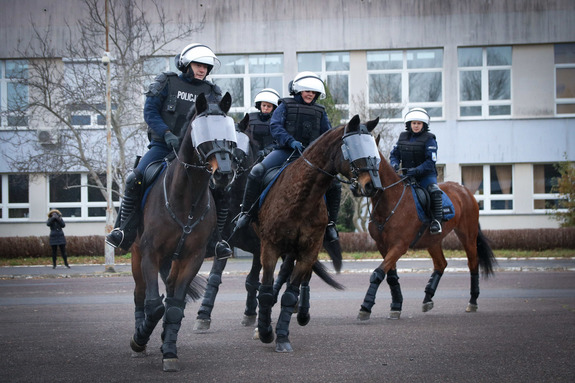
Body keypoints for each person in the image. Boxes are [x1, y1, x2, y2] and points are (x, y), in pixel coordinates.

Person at [106, 43, 233, 259]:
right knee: (135, 177)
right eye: (198, 65)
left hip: (198, 155)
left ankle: (217, 240)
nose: (203, 70)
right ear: (186, 64)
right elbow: (150, 112)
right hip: (163, 146)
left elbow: (217, 121)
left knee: (222, 187)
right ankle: (123, 231)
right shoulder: (167, 82)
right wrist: (166, 134)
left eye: (206, 67)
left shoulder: (212, 92)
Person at [234, 71, 341, 241]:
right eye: (307, 91)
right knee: (257, 171)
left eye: (313, 92)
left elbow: (327, 134)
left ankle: (331, 224)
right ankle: (247, 213)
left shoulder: (320, 111)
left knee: (334, 184)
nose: (310, 94)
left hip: (311, 156)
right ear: (298, 91)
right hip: (285, 150)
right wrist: (290, 141)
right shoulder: (285, 105)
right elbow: (275, 127)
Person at [390, 107, 443, 234]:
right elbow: (394, 155)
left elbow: (431, 162)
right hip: (406, 175)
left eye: (419, 123)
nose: (416, 126)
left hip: (426, 176)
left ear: (424, 125)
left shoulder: (430, 139)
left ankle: (436, 221)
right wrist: (395, 164)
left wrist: (417, 170)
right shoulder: (402, 137)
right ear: (409, 124)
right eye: (414, 123)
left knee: (434, 191)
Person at [247, 88, 281, 158]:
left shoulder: (278, 121)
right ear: (260, 105)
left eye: (269, 106)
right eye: (264, 105)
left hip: (271, 156)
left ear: (273, 108)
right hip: (251, 156)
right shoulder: (250, 118)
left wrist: (267, 150)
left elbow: (279, 141)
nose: (265, 108)